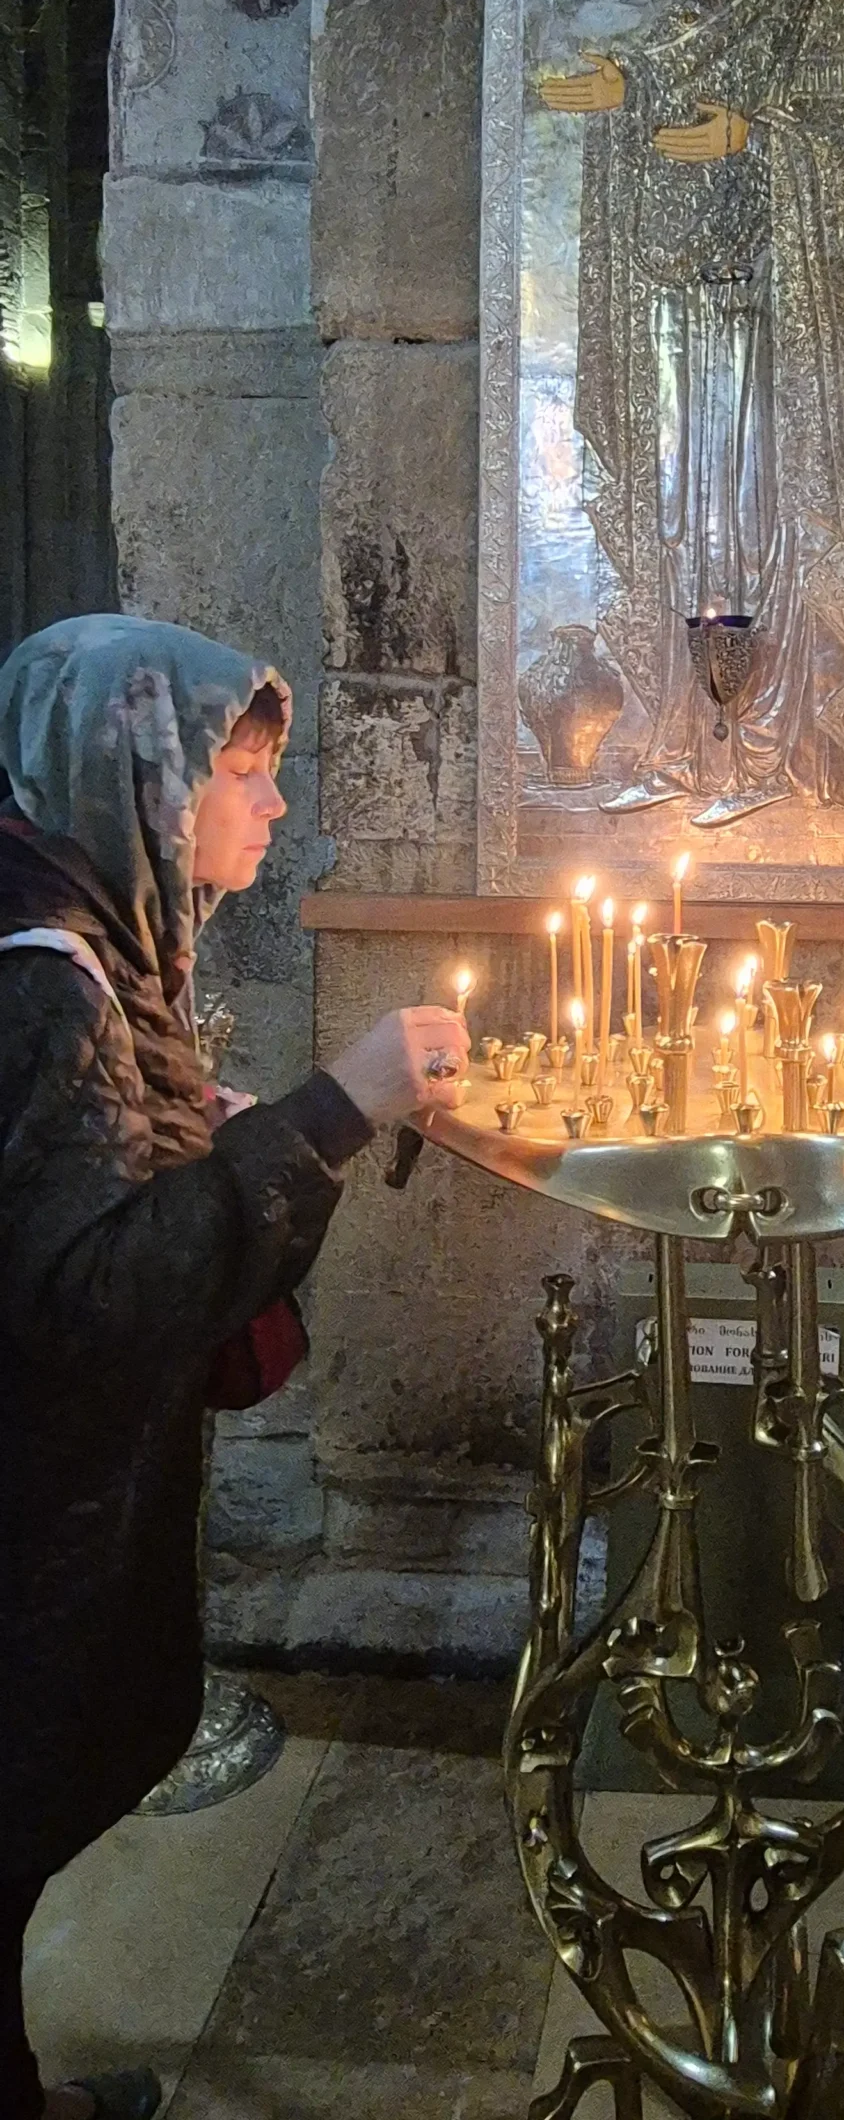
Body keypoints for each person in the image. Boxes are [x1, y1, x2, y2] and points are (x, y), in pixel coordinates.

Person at [0, 616, 471, 2120]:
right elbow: (87, 1291)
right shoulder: (45, 981)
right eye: (244, 772)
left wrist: (199, 1116)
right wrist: (331, 1109)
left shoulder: (91, 939)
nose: (274, 805)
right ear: (141, 779)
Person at [539, 0, 844, 828]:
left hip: (774, 314)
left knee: (751, 522)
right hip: (683, 301)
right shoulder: (710, 3)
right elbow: (665, 75)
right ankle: (680, 740)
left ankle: (758, 743)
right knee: (681, 521)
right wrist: (620, 94)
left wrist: (752, 135)